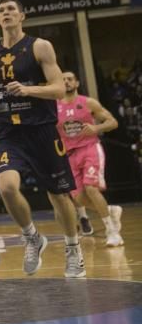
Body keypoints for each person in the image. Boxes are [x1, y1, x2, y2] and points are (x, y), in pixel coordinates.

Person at [0, 0, 84, 278]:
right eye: (1, 10)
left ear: (22, 16)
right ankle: (32, 237)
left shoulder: (39, 47)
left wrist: (28, 90)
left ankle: (73, 249)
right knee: (7, 187)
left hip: (42, 129)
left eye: (11, 8)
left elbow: (59, 88)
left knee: (58, 195)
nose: (6, 13)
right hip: (9, 131)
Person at [57, 71, 123, 246]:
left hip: (90, 149)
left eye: (70, 79)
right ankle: (110, 210)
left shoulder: (88, 103)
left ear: (77, 83)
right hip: (70, 155)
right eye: (63, 80)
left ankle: (112, 232)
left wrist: (97, 128)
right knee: (78, 199)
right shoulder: (54, 107)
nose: (66, 82)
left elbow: (113, 122)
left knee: (91, 188)